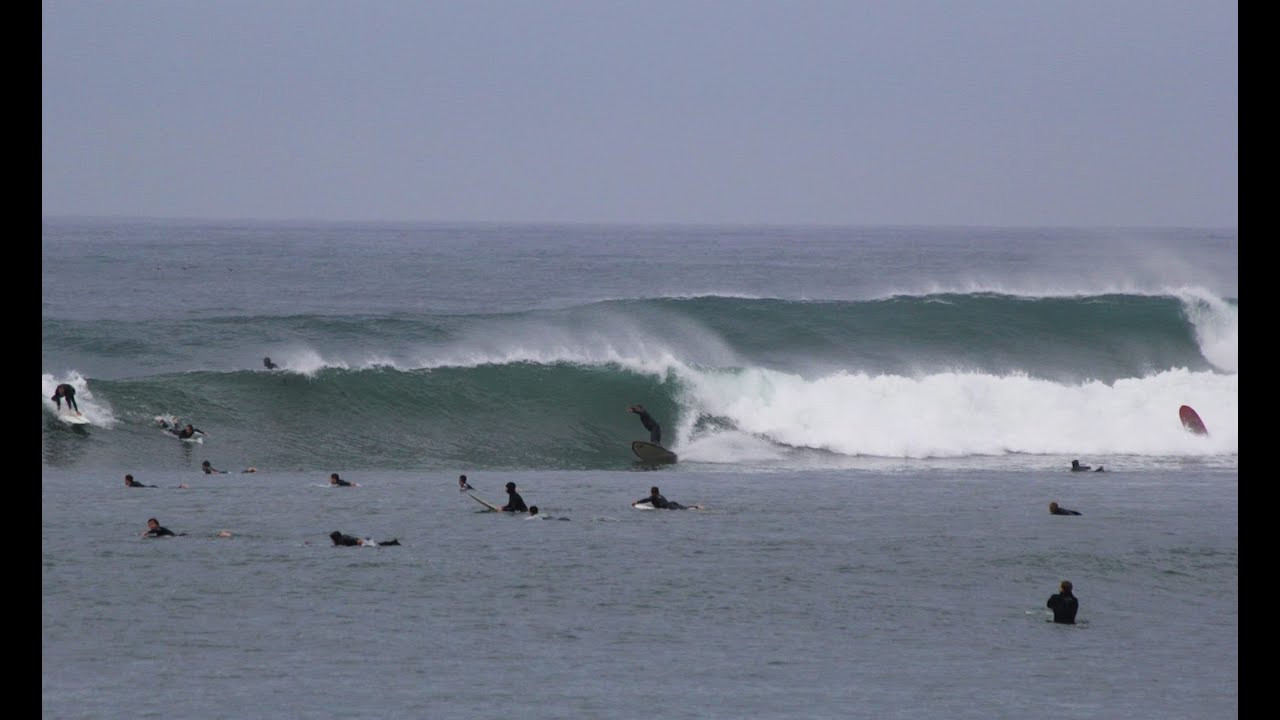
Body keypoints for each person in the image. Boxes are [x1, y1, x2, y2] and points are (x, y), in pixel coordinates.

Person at [632, 486, 700, 510]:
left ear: (652, 492)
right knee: (685, 508)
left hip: (667, 506)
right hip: (672, 503)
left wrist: (637, 502)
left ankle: (696, 507)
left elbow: (646, 500)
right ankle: (696, 507)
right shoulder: (661, 495)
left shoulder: (653, 496)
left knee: (684, 510)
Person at [329, 531, 400, 547]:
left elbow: (355, 540)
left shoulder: (343, 539)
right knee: (380, 544)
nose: (332, 540)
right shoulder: (342, 537)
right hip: (364, 541)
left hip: (363, 543)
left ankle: (393, 543)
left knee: (380, 545)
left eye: (332, 539)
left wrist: (362, 543)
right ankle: (393, 543)